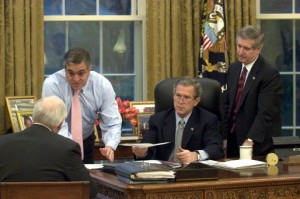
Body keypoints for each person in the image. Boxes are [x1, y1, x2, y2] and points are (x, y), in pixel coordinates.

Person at [0, 96, 97, 198]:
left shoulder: (2, 143)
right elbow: (90, 190)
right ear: (59, 124)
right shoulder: (67, 148)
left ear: (34, 117)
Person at [42, 47, 122, 163]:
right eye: (70, 73)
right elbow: (57, 124)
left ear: (90, 69)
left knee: (87, 179)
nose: (76, 79)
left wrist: (110, 145)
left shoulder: (102, 85)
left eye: (81, 73)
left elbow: (112, 121)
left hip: (86, 141)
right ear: (65, 69)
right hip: (56, 143)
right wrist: (71, 149)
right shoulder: (52, 85)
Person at [132, 77, 224, 164]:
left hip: (192, 173)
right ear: (173, 95)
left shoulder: (207, 119)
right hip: (164, 172)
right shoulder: (158, 120)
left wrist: (196, 155)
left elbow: (216, 148)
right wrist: (141, 153)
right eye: (178, 95)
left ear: (196, 101)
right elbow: (147, 149)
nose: (180, 101)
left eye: (186, 97)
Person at [223, 25, 283, 158]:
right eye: (239, 46)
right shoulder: (234, 68)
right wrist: (224, 137)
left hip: (256, 144)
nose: (240, 52)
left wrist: (250, 139)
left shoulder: (269, 74)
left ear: (258, 49)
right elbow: (227, 105)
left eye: (246, 48)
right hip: (232, 140)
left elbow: (265, 113)